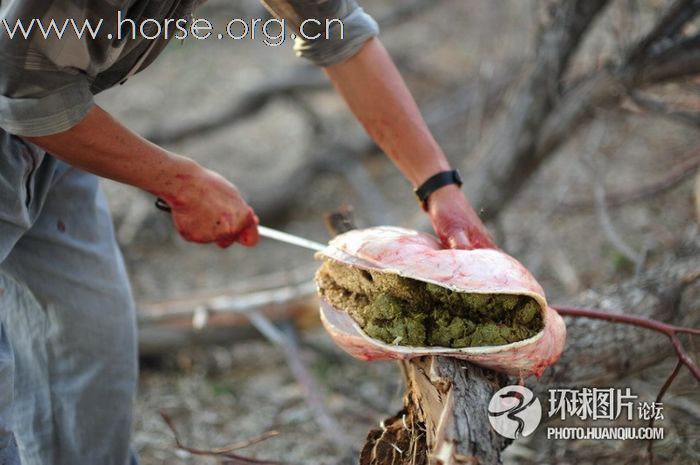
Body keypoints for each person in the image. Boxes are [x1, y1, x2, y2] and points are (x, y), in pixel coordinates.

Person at [0, 1, 495, 464]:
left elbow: (334, 27)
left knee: (89, 358)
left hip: (55, 128)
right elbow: (22, 84)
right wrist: (181, 182)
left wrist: (438, 186)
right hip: (29, 107)